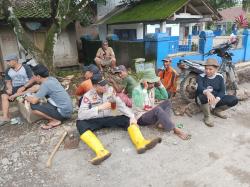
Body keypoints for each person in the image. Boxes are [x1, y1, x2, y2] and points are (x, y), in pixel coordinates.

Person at [76, 75, 161, 165]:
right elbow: (81, 115)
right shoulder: (88, 96)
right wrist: (99, 108)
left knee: (128, 119)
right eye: (102, 85)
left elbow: (120, 104)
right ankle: (101, 152)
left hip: (109, 116)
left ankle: (141, 143)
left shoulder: (110, 90)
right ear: (94, 86)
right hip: (95, 119)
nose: (105, 87)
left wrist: (132, 116)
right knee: (80, 124)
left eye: (105, 84)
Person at [132, 68, 191, 140]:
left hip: (150, 112)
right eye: (152, 82)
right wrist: (144, 89)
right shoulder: (136, 90)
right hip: (141, 117)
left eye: (154, 82)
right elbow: (139, 104)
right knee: (157, 109)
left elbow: (165, 96)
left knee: (168, 102)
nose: (153, 84)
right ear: (145, 82)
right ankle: (175, 130)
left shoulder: (152, 88)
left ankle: (163, 123)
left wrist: (160, 85)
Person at [25, 64, 73, 129]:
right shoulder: (52, 79)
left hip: (63, 113)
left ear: (38, 76)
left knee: (33, 107)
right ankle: (55, 117)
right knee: (42, 101)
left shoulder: (45, 85)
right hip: (68, 110)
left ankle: (55, 120)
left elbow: (33, 101)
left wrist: (25, 97)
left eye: (33, 76)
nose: (33, 78)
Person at [196, 58, 238, 127]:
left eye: (210, 69)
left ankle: (216, 111)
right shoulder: (201, 76)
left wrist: (216, 100)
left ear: (216, 69)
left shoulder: (219, 77)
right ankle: (207, 116)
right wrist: (207, 92)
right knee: (202, 96)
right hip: (203, 98)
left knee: (234, 99)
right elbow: (199, 88)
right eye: (206, 68)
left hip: (215, 98)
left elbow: (222, 91)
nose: (207, 71)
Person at [0, 54, 34, 126]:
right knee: (4, 96)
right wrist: (9, 88)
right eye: (7, 61)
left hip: (26, 86)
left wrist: (24, 87)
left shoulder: (25, 67)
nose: (7, 63)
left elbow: (32, 79)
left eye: (9, 61)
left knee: (23, 97)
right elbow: (8, 82)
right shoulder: (8, 70)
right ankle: (6, 117)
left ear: (15, 60)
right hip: (15, 87)